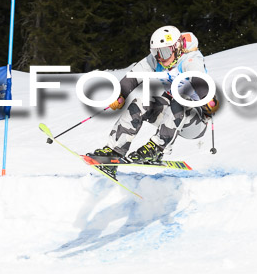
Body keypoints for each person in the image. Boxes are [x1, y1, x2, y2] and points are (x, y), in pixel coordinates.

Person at [89, 25, 219, 178]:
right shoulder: (157, 60)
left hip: (195, 122)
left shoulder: (189, 59)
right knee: (141, 102)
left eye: (164, 52)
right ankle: (114, 153)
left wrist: (208, 100)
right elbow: (133, 76)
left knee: (180, 97)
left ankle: (157, 148)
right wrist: (120, 94)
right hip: (170, 117)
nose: (160, 58)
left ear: (176, 47)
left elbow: (198, 79)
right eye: (155, 52)